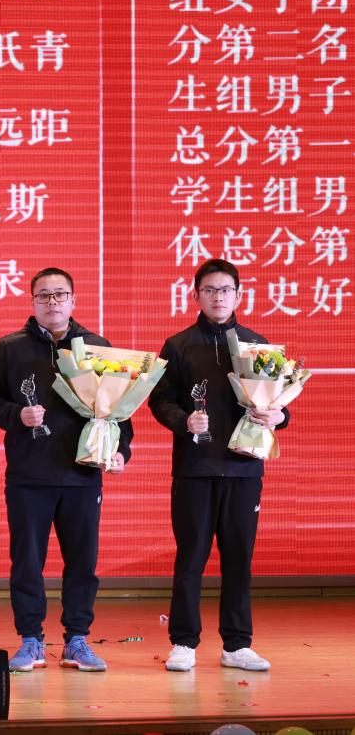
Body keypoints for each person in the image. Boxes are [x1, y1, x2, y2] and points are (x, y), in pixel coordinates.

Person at [0, 267, 131, 673]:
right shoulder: (10, 348)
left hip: (82, 473)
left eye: (60, 294)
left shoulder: (97, 348)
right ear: (32, 302)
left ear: (73, 300)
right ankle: (31, 640)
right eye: (43, 295)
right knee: (27, 562)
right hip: (28, 476)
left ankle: (77, 640)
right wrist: (17, 415)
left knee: (83, 562)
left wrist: (120, 452)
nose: (52, 302)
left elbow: (119, 410)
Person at [149, 258, 288, 673]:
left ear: (238, 296)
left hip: (244, 469)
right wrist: (183, 421)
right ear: (196, 296)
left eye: (225, 290)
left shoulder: (258, 347)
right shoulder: (178, 345)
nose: (218, 297)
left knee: (238, 559)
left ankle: (237, 644)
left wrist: (278, 415)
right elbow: (160, 399)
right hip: (195, 468)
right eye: (209, 290)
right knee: (190, 557)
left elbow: (279, 401)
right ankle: (184, 641)